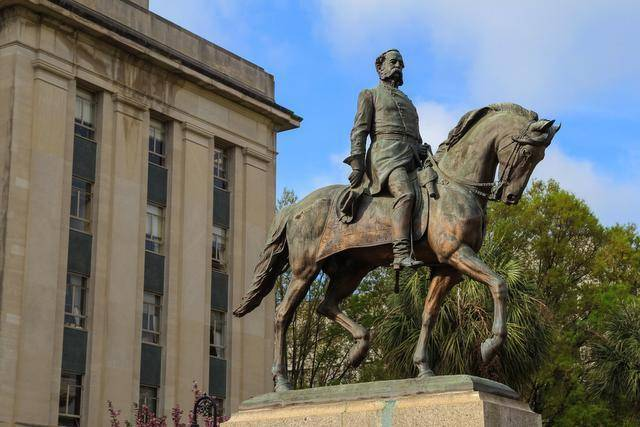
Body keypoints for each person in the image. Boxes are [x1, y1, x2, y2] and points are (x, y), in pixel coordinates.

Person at [344, 49, 433, 269]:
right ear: (380, 67)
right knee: (406, 193)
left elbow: (417, 136)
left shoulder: (410, 103)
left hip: (412, 156)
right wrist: (356, 163)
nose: (399, 67)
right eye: (394, 62)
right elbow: (359, 130)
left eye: (401, 64)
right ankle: (401, 252)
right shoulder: (370, 94)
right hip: (386, 157)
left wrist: (422, 150)